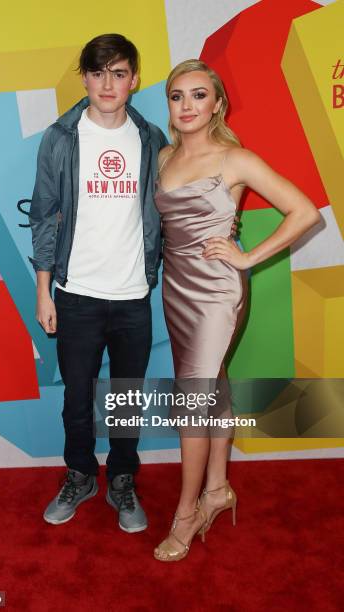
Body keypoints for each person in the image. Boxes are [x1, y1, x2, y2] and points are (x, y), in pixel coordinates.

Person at [153, 59, 320, 561]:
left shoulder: (235, 159)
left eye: (198, 95)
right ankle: (218, 489)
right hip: (176, 287)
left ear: (217, 105)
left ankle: (185, 514)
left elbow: (305, 212)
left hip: (216, 294)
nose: (187, 106)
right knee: (212, 387)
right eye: (178, 96)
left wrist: (245, 256)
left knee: (192, 401)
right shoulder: (163, 157)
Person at [28, 34, 168, 533]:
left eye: (120, 72)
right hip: (76, 294)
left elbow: (173, 209)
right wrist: (44, 291)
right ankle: (82, 474)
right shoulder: (61, 138)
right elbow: (44, 216)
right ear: (84, 77)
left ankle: (122, 479)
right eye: (98, 72)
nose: (108, 84)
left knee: (126, 396)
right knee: (76, 397)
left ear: (134, 79)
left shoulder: (152, 140)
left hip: (133, 295)